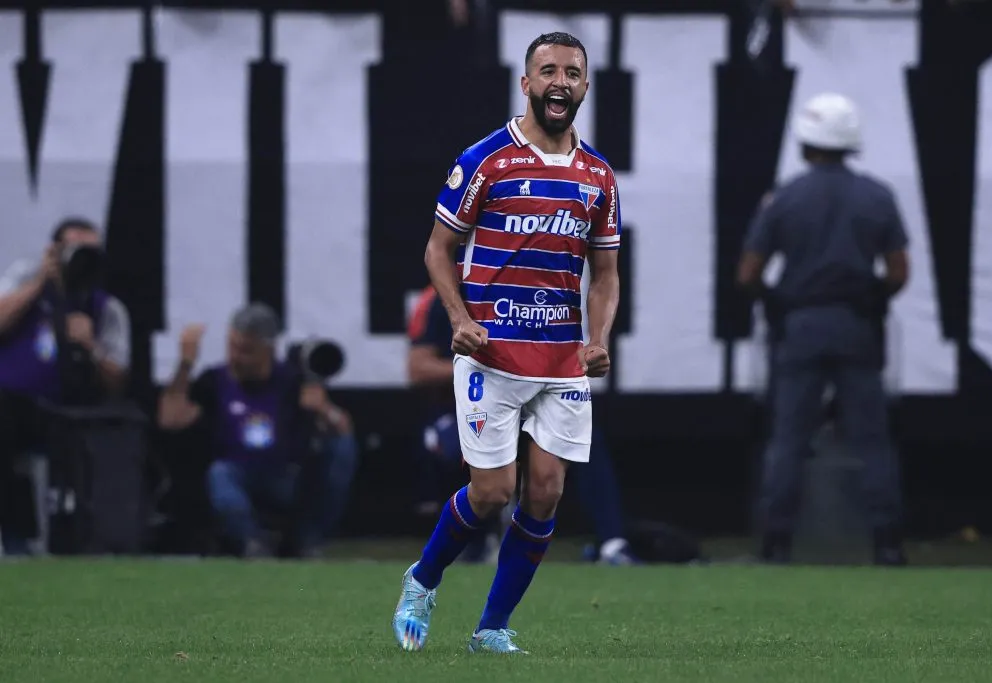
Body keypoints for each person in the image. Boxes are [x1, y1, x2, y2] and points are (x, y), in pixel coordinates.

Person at [392, 31, 621, 654]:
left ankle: (491, 627)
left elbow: (605, 274)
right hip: (492, 353)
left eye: (572, 72)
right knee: (492, 492)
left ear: (585, 86)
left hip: (561, 356)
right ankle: (425, 577)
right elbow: (439, 249)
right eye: (548, 71)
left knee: (545, 492)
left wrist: (597, 338)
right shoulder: (487, 160)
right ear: (526, 84)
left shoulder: (598, 175)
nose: (560, 82)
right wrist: (459, 318)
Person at [736, 92, 909, 566]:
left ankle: (776, 544)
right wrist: (870, 299)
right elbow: (898, 271)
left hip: (800, 328)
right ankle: (888, 545)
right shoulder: (877, 196)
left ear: (806, 141)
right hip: (856, 327)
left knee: (789, 439)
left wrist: (776, 303)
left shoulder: (786, 198)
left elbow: (749, 273)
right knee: (872, 439)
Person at [408, 283, 637, 565]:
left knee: (583, 437)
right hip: (462, 406)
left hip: (527, 402)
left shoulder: (536, 289)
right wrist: (482, 364)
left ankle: (612, 543)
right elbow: (418, 368)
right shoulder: (440, 296)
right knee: (467, 460)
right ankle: (472, 542)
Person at [157, 303, 359, 558]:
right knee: (220, 475)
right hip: (236, 476)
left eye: (246, 351)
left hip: (285, 476)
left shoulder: (292, 380)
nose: (236, 357)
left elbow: (343, 428)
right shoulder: (215, 381)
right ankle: (252, 543)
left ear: (269, 349)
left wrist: (324, 409)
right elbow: (170, 419)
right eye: (232, 347)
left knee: (341, 447)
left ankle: (310, 541)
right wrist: (186, 363)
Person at [0, 218, 131, 555]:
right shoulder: (24, 281)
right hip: (12, 405)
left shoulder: (107, 309)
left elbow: (117, 381)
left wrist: (91, 347)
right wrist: (41, 281)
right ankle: (14, 537)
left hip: (65, 415)